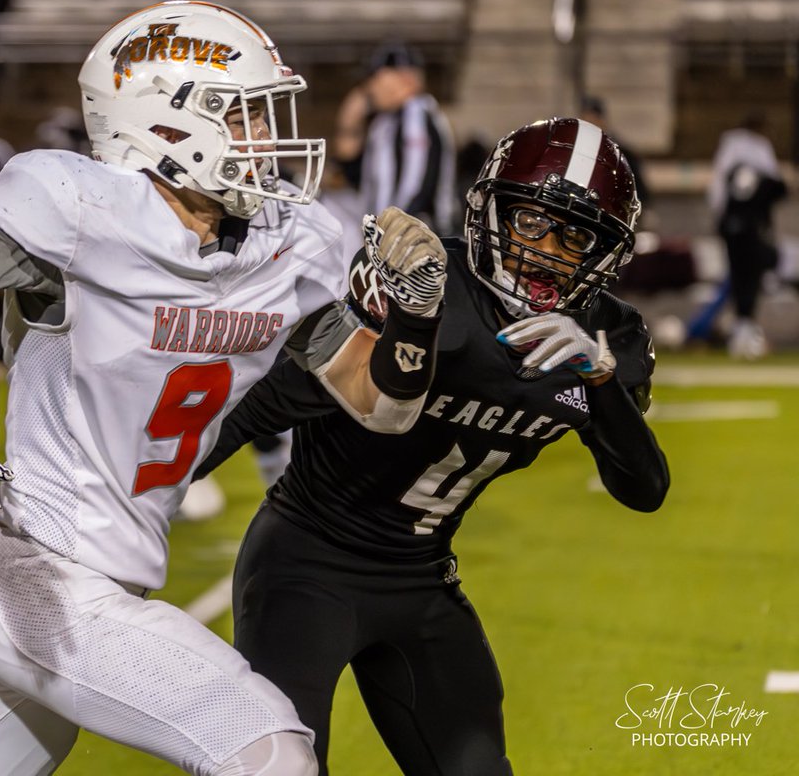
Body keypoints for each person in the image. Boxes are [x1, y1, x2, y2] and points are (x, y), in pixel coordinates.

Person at [0, 1, 450, 775]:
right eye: (246, 115)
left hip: (113, 573)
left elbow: (384, 406)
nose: (269, 139)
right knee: (272, 755)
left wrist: (419, 316)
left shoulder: (285, 244)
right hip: (43, 571)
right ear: (166, 124)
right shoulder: (85, 214)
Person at [195, 117, 670, 775]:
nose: (547, 251)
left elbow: (644, 490)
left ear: (606, 254)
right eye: (530, 223)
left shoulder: (605, 338)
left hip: (421, 579)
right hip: (305, 566)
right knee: (282, 768)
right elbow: (269, 402)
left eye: (575, 237)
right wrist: (140, 490)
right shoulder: (423, 288)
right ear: (490, 211)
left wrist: (602, 383)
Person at [334, 41, 456, 237]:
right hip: (389, 236)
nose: (368, 87)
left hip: (418, 238)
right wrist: (350, 120)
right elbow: (353, 174)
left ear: (402, 77)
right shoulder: (384, 122)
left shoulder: (416, 112)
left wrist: (391, 234)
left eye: (374, 76)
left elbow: (416, 186)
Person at [707, 112, 787, 360]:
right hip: (751, 229)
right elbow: (778, 187)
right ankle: (743, 331)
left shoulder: (730, 150)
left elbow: (717, 191)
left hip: (733, 227)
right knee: (749, 279)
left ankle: (742, 330)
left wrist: (721, 220)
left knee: (740, 277)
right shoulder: (759, 151)